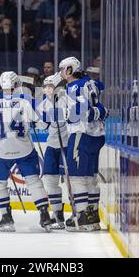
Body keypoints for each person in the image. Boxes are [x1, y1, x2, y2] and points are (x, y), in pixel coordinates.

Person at [0, 71, 54, 232]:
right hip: (25, 150)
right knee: (33, 181)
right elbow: (43, 125)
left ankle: (6, 217)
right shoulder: (27, 101)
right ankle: (44, 215)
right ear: (16, 85)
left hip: (3, 152)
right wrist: (34, 123)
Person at [58, 57, 107, 231]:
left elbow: (81, 112)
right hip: (97, 136)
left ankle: (82, 216)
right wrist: (99, 112)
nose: (61, 72)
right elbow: (102, 109)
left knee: (77, 176)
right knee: (90, 176)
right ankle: (93, 216)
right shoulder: (91, 83)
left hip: (81, 134)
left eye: (63, 69)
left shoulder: (73, 87)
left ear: (70, 70)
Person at [37, 73, 69, 229]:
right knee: (50, 181)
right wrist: (35, 120)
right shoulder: (42, 105)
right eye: (45, 87)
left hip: (67, 145)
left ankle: (78, 212)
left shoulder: (66, 101)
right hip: (52, 146)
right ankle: (57, 214)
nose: (48, 89)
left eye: (51, 86)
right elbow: (42, 126)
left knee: (71, 181)